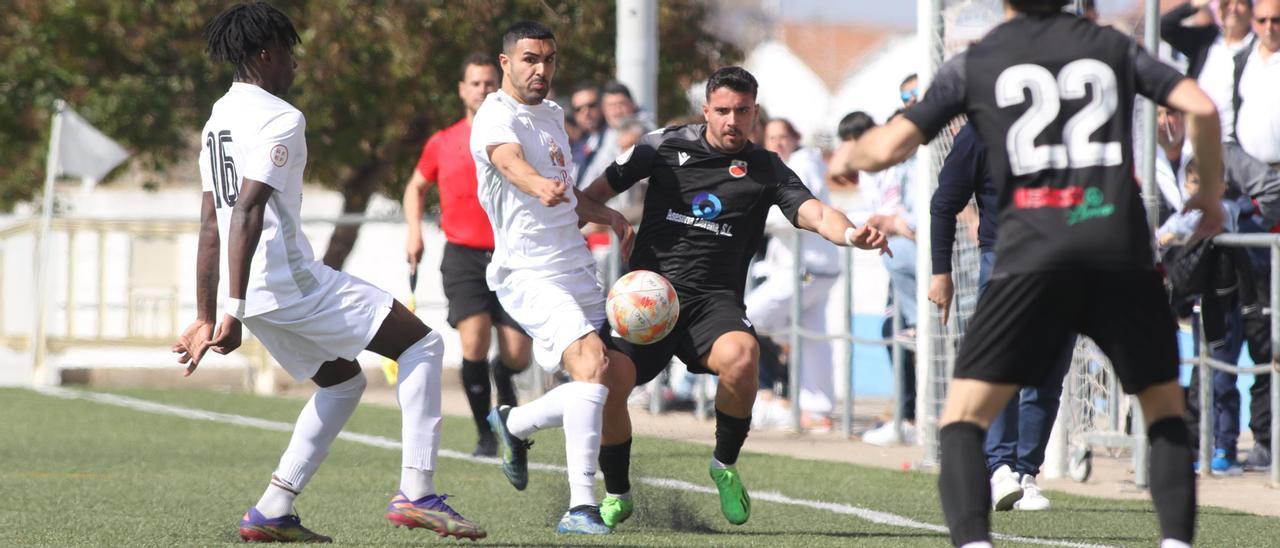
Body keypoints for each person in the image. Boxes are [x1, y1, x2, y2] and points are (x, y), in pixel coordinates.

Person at [830, 1, 1224, 546]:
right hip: (1118, 252)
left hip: (1029, 257)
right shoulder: (1111, 46)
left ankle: (973, 539)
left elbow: (889, 146)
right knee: (1162, 410)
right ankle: (1177, 541)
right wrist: (1209, 196)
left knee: (964, 417)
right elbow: (1200, 106)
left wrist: (851, 155)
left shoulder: (981, 60)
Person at [174, 2, 484, 542]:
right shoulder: (279, 118)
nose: (294, 66)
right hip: (286, 283)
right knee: (424, 346)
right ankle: (417, 490)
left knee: (341, 384)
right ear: (266, 54)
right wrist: (231, 314)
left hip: (257, 291)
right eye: (290, 54)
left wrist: (209, 313)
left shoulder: (217, 118)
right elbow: (245, 212)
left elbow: (210, 222)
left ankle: (273, 507)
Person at [583, 66, 890, 529]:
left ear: (755, 113)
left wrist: (849, 234)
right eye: (722, 110)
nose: (731, 120)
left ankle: (724, 465)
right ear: (705, 110)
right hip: (650, 297)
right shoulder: (661, 145)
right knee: (609, 381)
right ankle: (618, 492)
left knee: (743, 356)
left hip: (714, 302)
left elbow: (814, 211)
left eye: (741, 111)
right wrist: (614, 219)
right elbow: (589, 196)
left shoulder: (765, 167)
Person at [469, 20, 637, 535]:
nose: (541, 69)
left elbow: (567, 191)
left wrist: (603, 212)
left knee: (604, 379)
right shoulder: (494, 116)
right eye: (529, 59)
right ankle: (580, 507)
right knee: (590, 363)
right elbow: (510, 163)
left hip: (576, 267)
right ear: (505, 63)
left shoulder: (553, 114)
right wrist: (536, 183)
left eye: (548, 59)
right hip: (527, 270)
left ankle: (513, 424)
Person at [928, 122, 1074, 512]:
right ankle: (1000, 467)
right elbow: (945, 202)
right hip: (1003, 260)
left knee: (1049, 372)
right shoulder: (979, 131)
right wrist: (941, 271)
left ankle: (1026, 473)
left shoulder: (1069, 126)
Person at [403, 52, 532, 459]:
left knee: (516, 355)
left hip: (511, 254)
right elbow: (415, 187)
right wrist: (413, 232)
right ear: (463, 90)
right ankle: (485, 434)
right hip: (462, 254)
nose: (483, 89)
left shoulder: (517, 136)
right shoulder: (442, 142)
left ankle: (502, 377)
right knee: (474, 341)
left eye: (490, 82)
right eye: (476, 82)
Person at [747, 118, 841, 431]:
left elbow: (804, 212)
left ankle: (770, 394)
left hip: (806, 268)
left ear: (795, 137)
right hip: (811, 267)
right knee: (813, 339)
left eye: (783, 137)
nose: (777, 143)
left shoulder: (803, 163)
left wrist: (755, 215)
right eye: (771, 138)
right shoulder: (792, 164)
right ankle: (817, 410)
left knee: (749, 316)